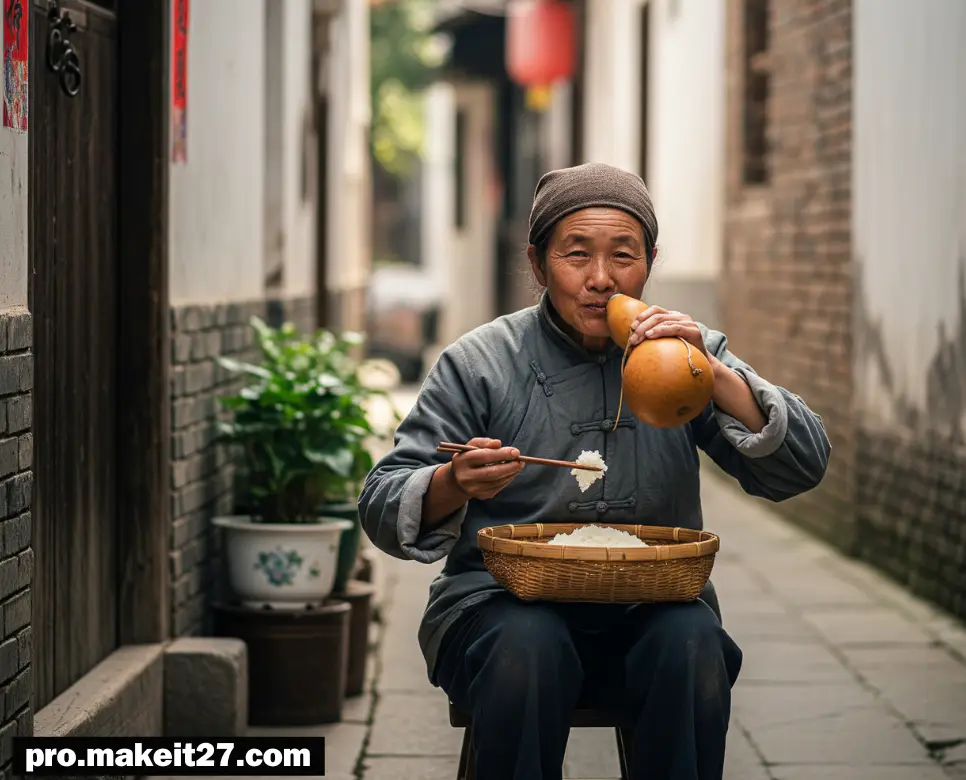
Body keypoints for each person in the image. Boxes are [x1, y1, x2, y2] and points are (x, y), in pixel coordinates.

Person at [359, 162, 831, 780]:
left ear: (650, 263)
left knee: (692, 645)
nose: (601, 279)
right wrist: (453, 483)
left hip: (651, 608)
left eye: (624, 256)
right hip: (497, 610)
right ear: (538, 264)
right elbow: (381, 500)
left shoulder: (686, 353)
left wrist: (714, 375)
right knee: (528, 647)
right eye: (576, 254)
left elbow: (804, 465)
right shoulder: (479, 362)